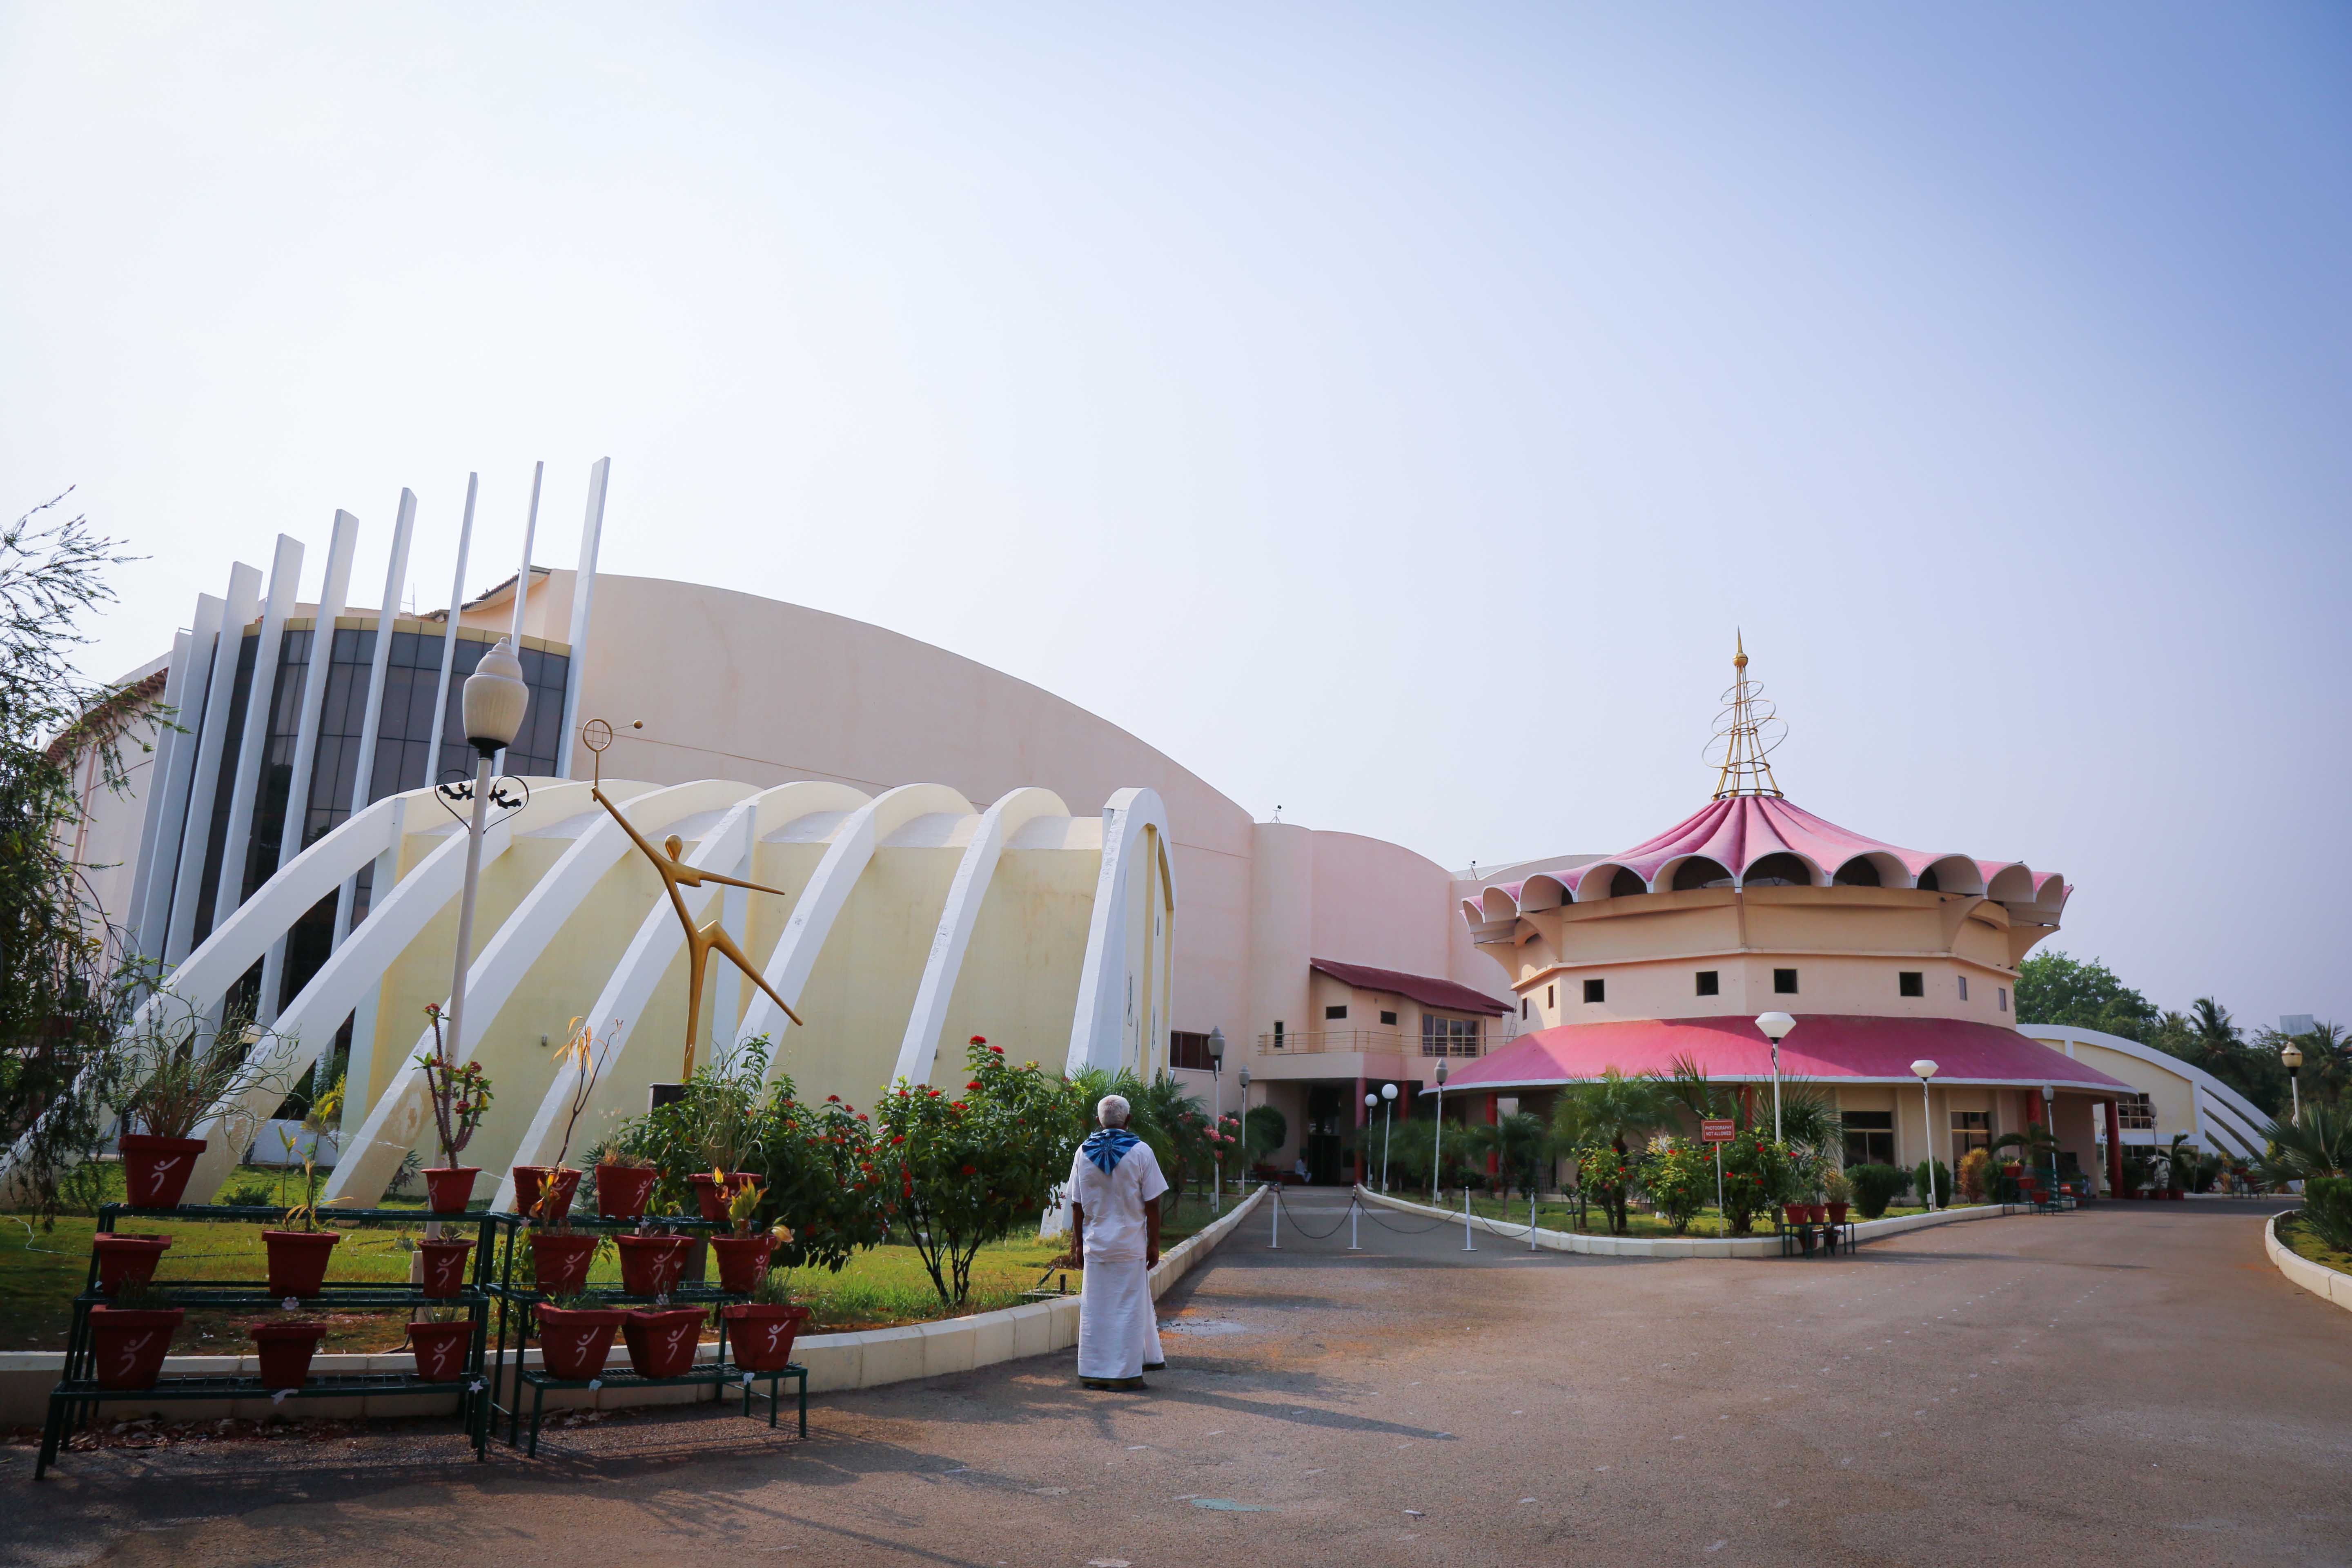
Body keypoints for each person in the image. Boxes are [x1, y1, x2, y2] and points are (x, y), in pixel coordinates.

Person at [1069, 1094, 1167, 1390]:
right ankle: (1124, 1375)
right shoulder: (1140, 1151)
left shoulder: (1083, 1152)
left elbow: (1076, 1205)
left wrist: (1077, 1244)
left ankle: (1094, 1373)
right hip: (1130, 1244)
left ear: (1099, 1120)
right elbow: (1152, 1203)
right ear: (1128, 1120)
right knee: (1127, 1308)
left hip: (1096, 1243)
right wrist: (1153, 1243)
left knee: (1097, 1308)